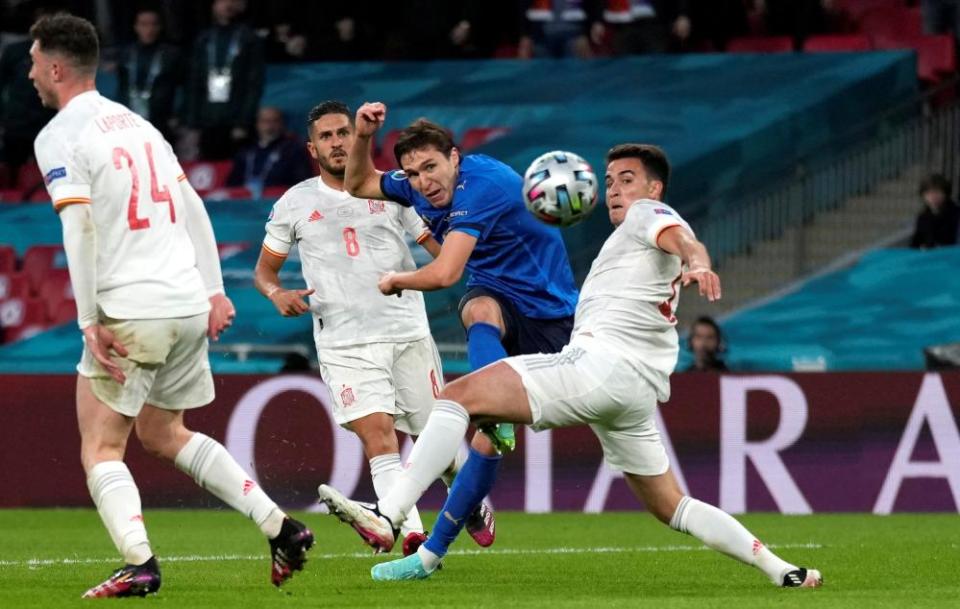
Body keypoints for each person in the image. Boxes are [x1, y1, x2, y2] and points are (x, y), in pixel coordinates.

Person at [319, 143, 823, 589]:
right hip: (634, 393)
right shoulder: (625, 241)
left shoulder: (650, 214)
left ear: (654, 187)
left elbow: (679, 237)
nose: (617, 191)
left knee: (456, 397)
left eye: (628, 180)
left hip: (597, 367)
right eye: (609, 183)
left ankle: (390, 511)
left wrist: (697, 260)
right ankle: (781, 569)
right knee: (673, 507)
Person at [28, 14, 313, 598]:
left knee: (102, 445)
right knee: (164, 432)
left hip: (131, 309)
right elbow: (193, 208)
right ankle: (281, 527)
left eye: (33, 63)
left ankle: (139, 563)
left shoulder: (59, 135)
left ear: (55, 68)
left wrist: (87, 321)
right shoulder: (140, 125)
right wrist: (212, 290)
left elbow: (79, 228)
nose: (29, 74)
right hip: (184, 303)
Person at [340, 101, 579, 566]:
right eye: (411, 173)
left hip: (549, 317)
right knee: (479, 308)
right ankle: (426, 558)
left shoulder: (482, 186)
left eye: (430, 166)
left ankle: (435, 542)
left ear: (454, 157)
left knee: (484, 446)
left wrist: (397, 280)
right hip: (499, 299)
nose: (423, 181)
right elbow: (358, 183)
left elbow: (446, 272)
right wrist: (364, 137)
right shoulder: (418, 189)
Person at [253, 100, 478, 555]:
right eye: (328, 136)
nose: (337, 142)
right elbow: (264, 272)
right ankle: (410, 533)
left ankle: (472, 498)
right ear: (312, 148)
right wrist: (278, 294)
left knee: (440, 443)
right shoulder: (294, 203)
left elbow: (441, 250)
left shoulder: (395, 191)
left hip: (407, 333)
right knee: (379, 438)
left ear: (357, 137)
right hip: (344, 340)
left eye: (343, 133)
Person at [186, 0, 264, 160]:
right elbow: (195, 83)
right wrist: (194, 122)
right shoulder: (204, 39)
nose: (227, 4)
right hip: (208, 120)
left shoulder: (249, 38)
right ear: (213, 5)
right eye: (221, 1)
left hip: (236, 120)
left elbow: (254, 84)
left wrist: (243, 122)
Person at [116, 8, 183, 140]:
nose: (149, 29)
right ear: (136, 27)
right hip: (132, 121)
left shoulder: (171, 55)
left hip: (162, 121)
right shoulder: (127, 54)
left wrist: (176, 115)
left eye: (154, 24)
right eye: (144, 24)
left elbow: (181, 87)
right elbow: (122, 88)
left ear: (160, 27)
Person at [226, 106, 312, 196]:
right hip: (244, 203)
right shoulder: (246, 151)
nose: (270, 126)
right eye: (265, 121)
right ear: (257, 124)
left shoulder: (293, 150)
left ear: (282, 124)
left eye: (275, 121)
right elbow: (231, 185)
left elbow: (302, 184)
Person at [910, 173, 959, 249]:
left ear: (945, 193)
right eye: (928, 193)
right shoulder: (923, 218)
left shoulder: (956, 214)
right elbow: (915, 244)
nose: (933, 196)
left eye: (937, 192)